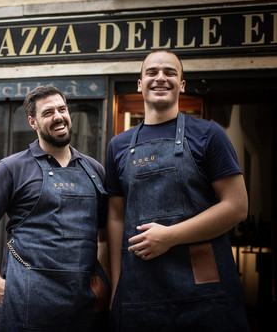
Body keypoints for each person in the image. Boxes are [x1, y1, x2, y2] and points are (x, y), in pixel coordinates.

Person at [106, 49, 250, 331]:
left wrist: (170, 236)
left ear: (181, 85)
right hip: (139, 290)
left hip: (203, 293)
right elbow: (115, 217)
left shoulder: (209, 134)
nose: (161, 78)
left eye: (170, 72)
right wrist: (116, 287)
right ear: (140, 84)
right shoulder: (118, 145)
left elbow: (237, 207)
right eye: (152, 72)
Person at [0, 85, 109, 331]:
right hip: (25, 307)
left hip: (83, 309)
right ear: (33, 122)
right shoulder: (11, 168)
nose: (58, 116)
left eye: (62, 109)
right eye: (48, 112)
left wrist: (102, 285)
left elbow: (104, 238)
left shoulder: (95, 170)